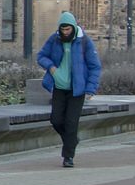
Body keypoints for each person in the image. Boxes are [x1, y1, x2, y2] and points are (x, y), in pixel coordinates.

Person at [37, 9, 101, 168]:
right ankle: (72, 140)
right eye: (62, 29)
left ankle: (68, 157)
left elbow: (95, 66)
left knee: (71, 122)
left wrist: (90, 89)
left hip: (77, 89)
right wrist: (50, 67)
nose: (65, 32)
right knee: (56, 120)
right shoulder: (54, 39)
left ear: (73, 27)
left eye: (68, 29)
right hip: (59, 87)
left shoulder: (84, 41)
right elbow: (41, 56)